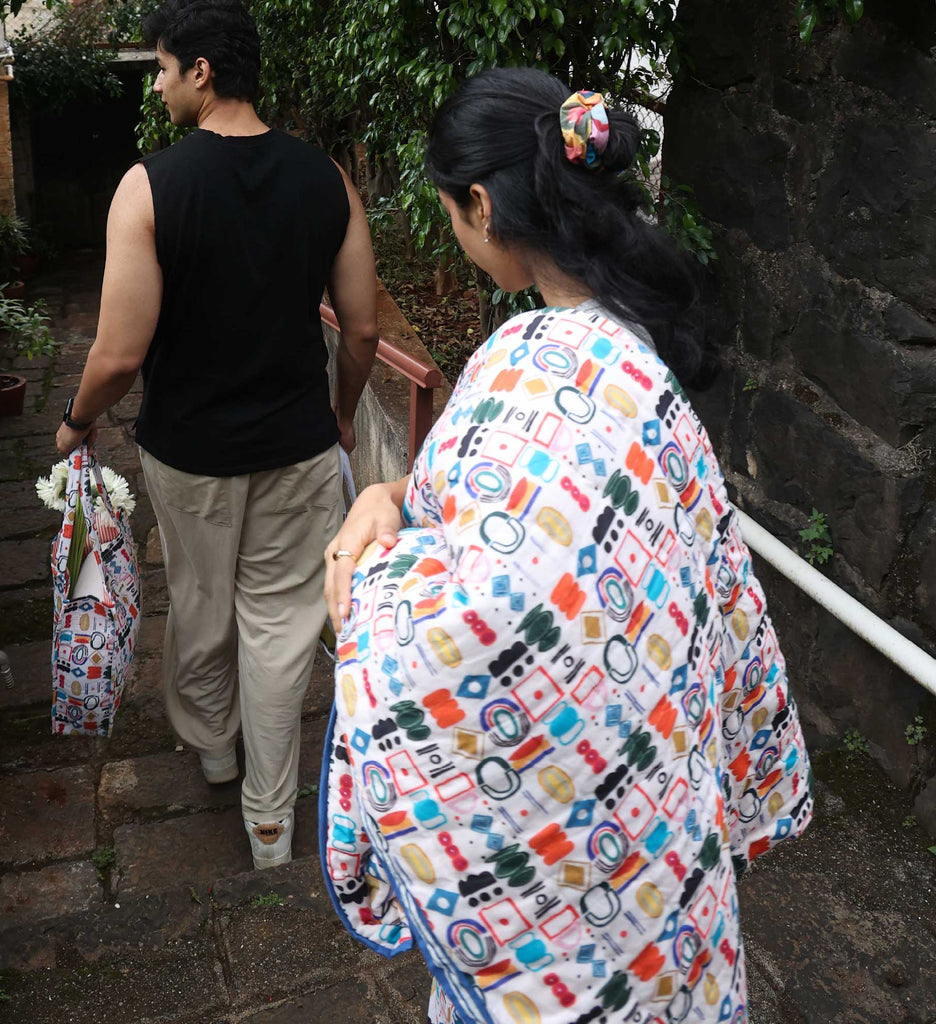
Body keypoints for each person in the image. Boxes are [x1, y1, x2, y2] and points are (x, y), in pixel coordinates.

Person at [320, 68, 812, 1024]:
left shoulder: (517, 369)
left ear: (481, 203)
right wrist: (388, 493)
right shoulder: (643, 367)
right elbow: (703, 593)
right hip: (657, 834)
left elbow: (468, 620)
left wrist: (365, 572)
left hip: (549, 874)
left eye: (453, 217)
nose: (458, 241)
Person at [55, 0, 379, 869]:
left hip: (189, 454)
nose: (157, 84)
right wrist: (342, 412)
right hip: (301, 448)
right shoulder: (327, 181)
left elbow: (119, 353)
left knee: (201, 601)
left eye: (161, 67)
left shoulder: (148, 186)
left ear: (201, 72)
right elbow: (361, 332)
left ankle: (214, 749)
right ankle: (271, 824)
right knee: (279, 625)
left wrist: (74, 420)